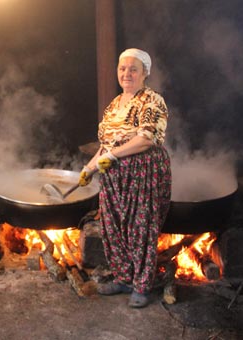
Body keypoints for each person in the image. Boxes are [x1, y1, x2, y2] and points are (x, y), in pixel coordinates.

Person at [79, 48, 171, 308]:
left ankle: (141, 286)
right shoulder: (114, 106)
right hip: (113, 175)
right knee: (113, 227)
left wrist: (115, 156)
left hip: (143, 173)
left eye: (133, 69)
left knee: (140, 229)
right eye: (122, 68)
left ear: (144, 74)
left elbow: (146, 139)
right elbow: (106, 144)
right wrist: (89, 167)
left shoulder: (152, 101)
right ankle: (123, 277)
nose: (126, 73)